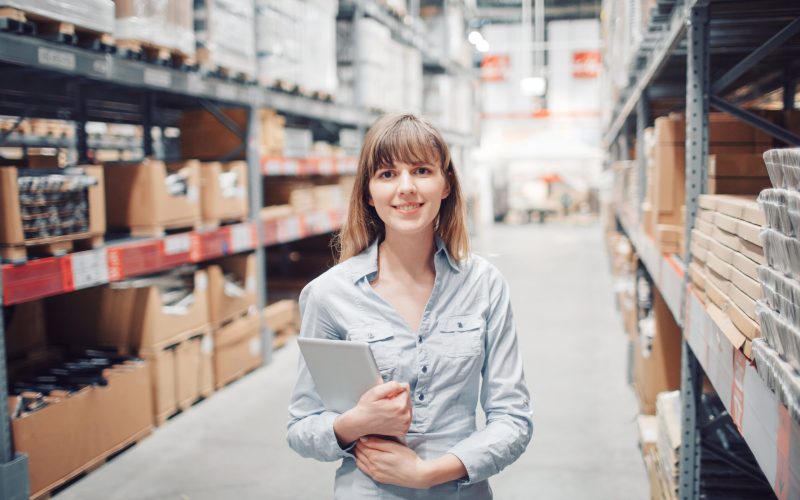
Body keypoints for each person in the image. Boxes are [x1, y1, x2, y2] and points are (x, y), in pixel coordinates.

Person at [287, 113, 532, 499]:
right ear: (368, 193)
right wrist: (354, 423)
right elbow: (301, 427)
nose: (406, 188)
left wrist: (429, 473)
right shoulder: (328, 295)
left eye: (421, 170)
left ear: (446, 183)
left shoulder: (484, 285)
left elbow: (513, 419)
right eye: (387, 174)